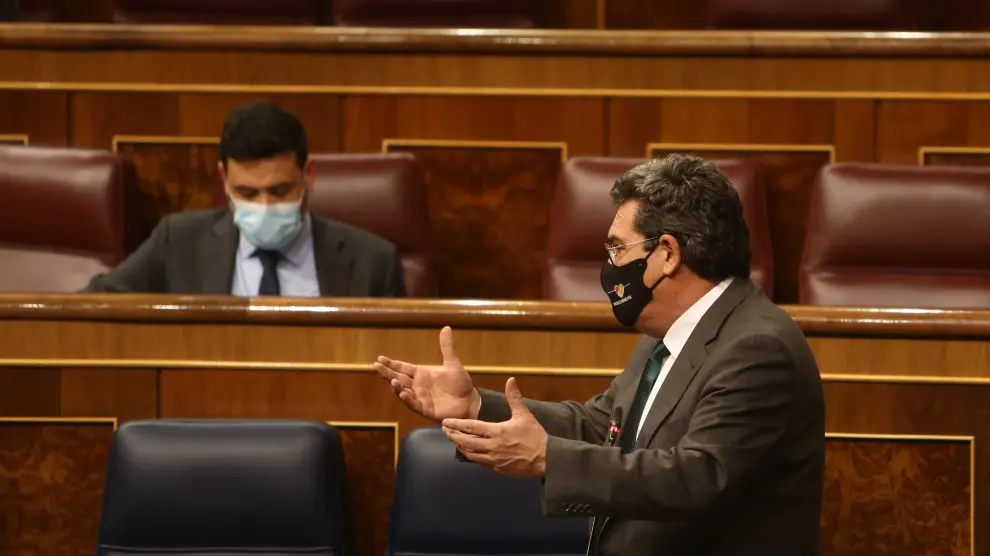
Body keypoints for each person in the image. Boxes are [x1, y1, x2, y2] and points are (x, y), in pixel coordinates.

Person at [373, 154, 824, 556]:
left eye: (617, 248)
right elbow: (601, 426)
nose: (609, 266)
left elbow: (698, 476)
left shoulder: (756, 347)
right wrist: (475, 405)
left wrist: (549, 458)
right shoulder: (669, 333)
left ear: (667, 253)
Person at [85, 100, 406, 297]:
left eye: (280, 191)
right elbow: (96, 302)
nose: (264, 206)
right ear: (224, 178)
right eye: (247, 193)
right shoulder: (179, 242)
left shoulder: (372, 261)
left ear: (308, 175)